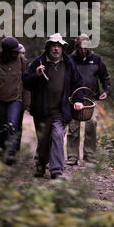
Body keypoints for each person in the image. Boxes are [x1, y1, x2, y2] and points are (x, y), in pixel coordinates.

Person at [23, 33, 84, 179]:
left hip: (61, 110)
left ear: (62, 48)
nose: (56, 48)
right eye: (53, 45)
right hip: (41, 110)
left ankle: (56, 170)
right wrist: (36, 75)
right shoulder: (38, 62)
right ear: (48, 47)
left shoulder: (69, 63)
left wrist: (78, 100)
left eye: (59, 46)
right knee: (43, 139)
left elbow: (78, 83)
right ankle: (40, 165)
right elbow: (26, 82)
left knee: (57, 136)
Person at [66, 33, 111, 165]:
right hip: (75, 98)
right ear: (77, 46)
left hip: (92, 98)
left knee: (92, 123)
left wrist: (106, 90)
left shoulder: (96, 59)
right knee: (73, 127)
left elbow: (105, 76)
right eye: (81, 48)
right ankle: (72, 156)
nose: (84, 50)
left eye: (86, 47)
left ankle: (89, 155)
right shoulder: (71, 59)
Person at [0, 37, 30, 165]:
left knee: (12, 124)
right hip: (0, 100)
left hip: (16, 99)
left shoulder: (21, 60)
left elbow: (26, 82)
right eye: (14, 51)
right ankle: (1, 153)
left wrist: (26, 103)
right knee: (2, 127)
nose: (17, 53)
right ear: (7, 51)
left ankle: (11, 155)